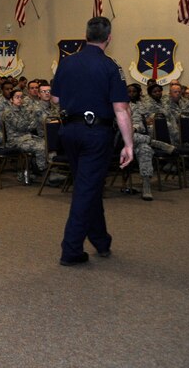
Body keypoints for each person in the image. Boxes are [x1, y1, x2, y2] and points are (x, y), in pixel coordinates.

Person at [51, 16, 133, 267]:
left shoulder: (67, 62)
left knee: (90, 186)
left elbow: (54, 99)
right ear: (109, 38)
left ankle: (101, 240)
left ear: (86, 35)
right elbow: (121, 108)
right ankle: (71, 250)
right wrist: (129, 144)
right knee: (86, 189)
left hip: (70, 132)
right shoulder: (111, 66)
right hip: (96, 134)